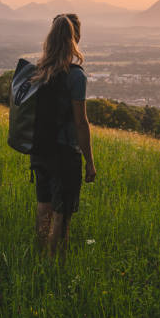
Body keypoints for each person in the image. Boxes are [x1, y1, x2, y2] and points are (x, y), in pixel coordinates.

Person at [30, 13, 96, 259]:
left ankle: (38, 259)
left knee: (43, 207)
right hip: (65, 153)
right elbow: (81, 122)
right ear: (75, 38)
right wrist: (89, 161)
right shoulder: (76, 76)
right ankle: (54, 267)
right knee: (62, 213)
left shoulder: (39, 72)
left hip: (39, 149)